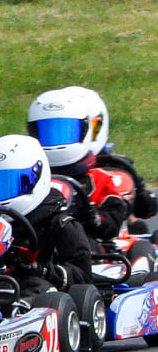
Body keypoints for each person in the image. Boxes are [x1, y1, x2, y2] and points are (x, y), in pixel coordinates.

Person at [27, 86, 157, 238]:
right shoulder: (31, 173)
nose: (59, 139)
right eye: (50, 132)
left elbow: (146, 208)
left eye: (67, 131)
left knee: (138, 231)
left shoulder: (113, 173)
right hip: (42, 240)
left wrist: (92, 216)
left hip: (94, 242)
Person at [0, 134, 92, 295]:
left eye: (11, 184)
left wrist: (41, 269)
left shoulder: (59, 223)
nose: (2, 194)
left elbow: (82, 276)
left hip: (39, 294)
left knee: (36, 286)